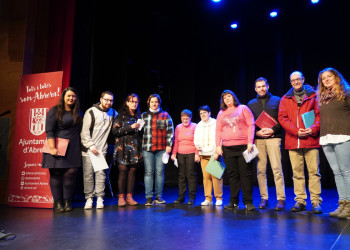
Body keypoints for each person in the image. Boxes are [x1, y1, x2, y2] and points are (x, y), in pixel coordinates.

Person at [278, 71, 322, 214]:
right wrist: (296, 131)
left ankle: (315, 201)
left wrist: (313, 129)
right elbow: (282, 118)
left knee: (314, 172)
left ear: (303, 79)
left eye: (298, 79)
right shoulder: (285, 98)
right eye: (293, 80)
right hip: (294, 140)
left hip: (310, 139)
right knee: (297, 173)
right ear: (290, 82)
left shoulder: (314, 95)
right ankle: (300, 200)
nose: (296, 82)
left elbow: (319, 115)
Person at [42, 87, 83, 213]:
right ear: (63, 97)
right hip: (58, 146)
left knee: (71, 174)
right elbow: (49, 131)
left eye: (73, 96)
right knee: (56, 174)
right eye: (69, 96)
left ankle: (67, 201)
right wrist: (52, 147)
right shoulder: (55, 110)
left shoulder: (78, 111)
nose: (71, 98)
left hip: (74, 147)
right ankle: (58, 203)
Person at [247, 77, 286, 211]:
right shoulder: (251, 104)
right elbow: (249, 124)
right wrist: (257, 133)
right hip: (258, 140)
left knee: (277, 169)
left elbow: (283, 120)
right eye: (258, 87)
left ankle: (281, 199)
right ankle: (264, 198)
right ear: (255, 89)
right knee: (260, 170)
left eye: (263, 86)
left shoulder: (277, 100)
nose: (261, 89)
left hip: (274, 138)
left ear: (268, 86)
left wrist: (273, 130)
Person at [317, 68, 350, 218]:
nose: (326, 79)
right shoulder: (322, 97)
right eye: (323, 78)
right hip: (326, 137)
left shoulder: (345, 93)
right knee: (337, 172)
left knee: (346, 171)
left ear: (336, 77)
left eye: (329, 76)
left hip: (343, 135)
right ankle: (342, 203)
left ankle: (349, 204)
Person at [215, 90, 256, 211]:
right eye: (224, 98)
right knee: (232, 175)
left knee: (246, 175)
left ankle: (248, 202)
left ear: (233, 97)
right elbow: (218, 130)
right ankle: (233, 201)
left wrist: (250, 142)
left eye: (229, 97)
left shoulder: (243, 108)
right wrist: (218, 146)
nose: (227, 99)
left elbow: (251, 124)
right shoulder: (221, 113)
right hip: (228, 148)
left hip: (244, 147)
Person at [81, 91, 117, 210]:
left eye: (111, 100)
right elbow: (84, 132)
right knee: (88, 175)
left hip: (102, 150)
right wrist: (91, 146)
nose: (108, 102)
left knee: (101, 174)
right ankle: (89, 199)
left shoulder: (112, 113)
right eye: (106, 99)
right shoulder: (91, 111)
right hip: (88, 150)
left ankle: (100, 198)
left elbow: (120, 122)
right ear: (101, 99)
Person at [141, 94, 174, 206]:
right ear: (148, 103)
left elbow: (170, 131)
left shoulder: (165, 115)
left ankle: (159, 196)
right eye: (152, 102)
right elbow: (139, 131)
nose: (154, 104)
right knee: (149, 172)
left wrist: (169, 145)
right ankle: (149, 197)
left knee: (160, 172)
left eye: (156, 102)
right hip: (147, 148)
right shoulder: (143, 116)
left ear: (159, 103)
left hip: (161, 148)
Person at [113, 93, 143, 207]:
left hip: (135, 147)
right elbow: (115, 131)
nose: (134, 104)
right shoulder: (120, 115)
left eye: (136, 102)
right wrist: (130, 127)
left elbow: (140, 133)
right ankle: (121, 197)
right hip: (123, 147)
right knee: (123, 170)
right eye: (132, 101)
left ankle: (130, 196)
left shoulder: (138, 116)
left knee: (132, 171)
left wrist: (139, 128)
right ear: (127, 102)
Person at [194, 105, 223, 206]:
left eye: (204, 113)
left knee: (216, 176)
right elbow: (196, 138)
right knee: (206, 177)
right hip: (203, 154)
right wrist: (197, 147)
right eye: (201, 113)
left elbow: (220, 137)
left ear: (209, 113)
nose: (202, 115)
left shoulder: (215, 123)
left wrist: (217, 152)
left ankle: (218, 198)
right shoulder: (199, 125)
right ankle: (208, 198)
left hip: (214, 153)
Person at [171, 109, 199, 205]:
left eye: (187, 118)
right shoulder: (178, 127)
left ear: (190, 118)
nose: (185, 120)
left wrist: (197, 153)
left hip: (191, 153)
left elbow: (197, 141)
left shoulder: (195, 126)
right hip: (180, 154)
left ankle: (191, 197)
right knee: (181, 176)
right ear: (181, 118)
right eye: (183, 118)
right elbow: (176, 142)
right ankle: (181, 197)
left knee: (191, 175)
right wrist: (174, 153)